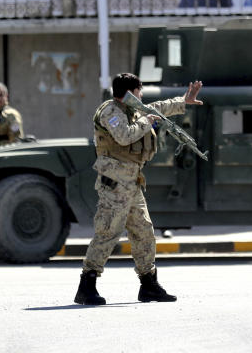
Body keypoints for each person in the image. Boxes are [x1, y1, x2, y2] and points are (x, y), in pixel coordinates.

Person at [74, 73, 203, 305]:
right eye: (140, 91)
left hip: (132, 182)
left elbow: (158, 106)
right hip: (114, 182)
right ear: (132, 92)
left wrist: (184, 101)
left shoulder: (133, 110)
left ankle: (149, 285)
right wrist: (148, 122)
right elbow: (124, 137)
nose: (142, 96)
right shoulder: (110, 111)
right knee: (108, 231)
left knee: (143, 231)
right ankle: (87, 284)